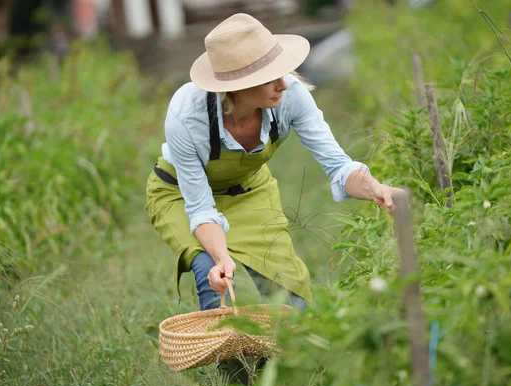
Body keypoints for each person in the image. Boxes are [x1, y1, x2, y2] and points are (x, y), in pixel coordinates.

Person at [146, 13, 399, 313]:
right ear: (237, 86)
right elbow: (200, 208)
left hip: (248, 191)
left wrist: (375, 188)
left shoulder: (291, 96)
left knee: (287, 288)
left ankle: (294, 355)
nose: (283, 84)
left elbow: (338, 165)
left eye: (281, 71)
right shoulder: (187, 117)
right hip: (180, 194)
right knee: (210, 268)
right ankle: (233, 359)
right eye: (270, 78)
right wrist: (222, 257)